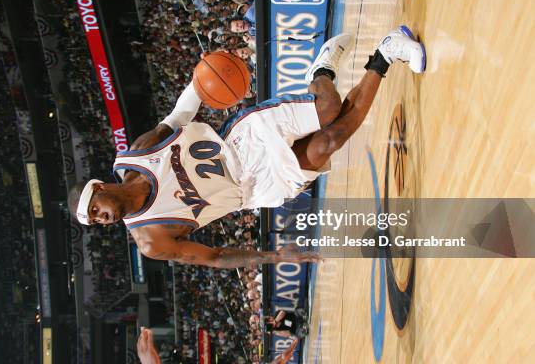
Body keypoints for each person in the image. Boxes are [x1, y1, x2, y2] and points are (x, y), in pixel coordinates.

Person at [68, 26, 426, 269]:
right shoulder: (151, 240)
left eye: (96, 209)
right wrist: (274, 256)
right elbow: (214, 256)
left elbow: (180, 114)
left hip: (241, 142)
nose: (103, 219)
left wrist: (202, 76)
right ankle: (387, 52)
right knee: (330, 141)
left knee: (329, 109)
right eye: (97, 222)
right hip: (253, 188)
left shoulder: (139, 153)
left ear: (98, 187)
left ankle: (322, 71)